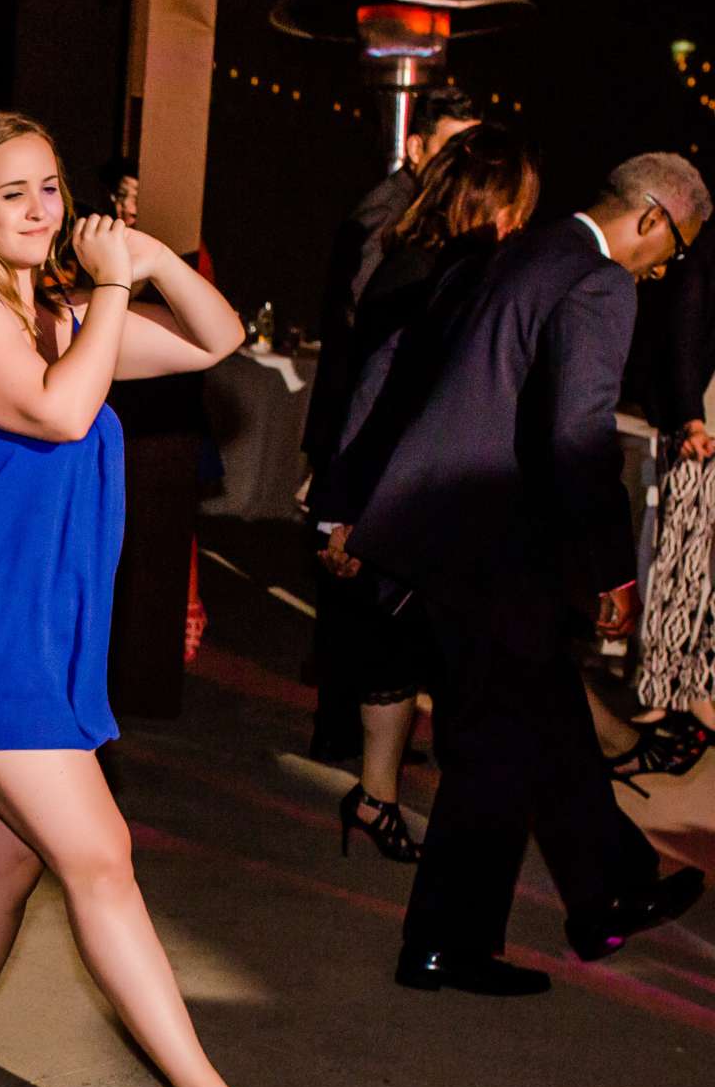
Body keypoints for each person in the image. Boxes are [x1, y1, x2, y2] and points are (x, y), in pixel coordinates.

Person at [0, 112, 275, 1087]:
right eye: (11, 190)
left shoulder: (58, 317)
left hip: (42, 635)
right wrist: (110, 291)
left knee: (4, 867)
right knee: (100, 854)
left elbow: (215, 338)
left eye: (50, 187)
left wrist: (144, 259)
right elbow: (62, 415)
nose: (38, 208)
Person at [352, 154, 713, 994]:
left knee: (544, 719)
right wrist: (612, 574)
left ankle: (610, 890)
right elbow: (578, 438)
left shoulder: (524, 249)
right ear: (653, 218)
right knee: (494, 756)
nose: (665, 269)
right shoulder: (599, 282)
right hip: (492, 545)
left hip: (442, 529)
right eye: (676, 250)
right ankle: (446, 945)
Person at [308, 123, 541, 864]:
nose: (525, 220)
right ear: (488, 200)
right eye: (519, 203)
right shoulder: (428, 271)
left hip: (405, 493)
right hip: (405, 496)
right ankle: (387, 803)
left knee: (397, 653)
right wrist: (342, 513)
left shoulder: (427, 262)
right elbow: (383, 393)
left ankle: (377, 798)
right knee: (412, 655)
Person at [302, 87, 483, 760]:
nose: (468, 162)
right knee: (356, 587)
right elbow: (369, 341)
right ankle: (348, 730)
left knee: (371, 593)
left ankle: (366, 728)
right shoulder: (389, 216)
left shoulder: (426, 217)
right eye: (456, 147)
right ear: (418, 148)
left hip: (367, 429)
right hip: (361, 427)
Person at [613, 247, 715, 780]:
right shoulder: (706, 254)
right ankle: (670, 696)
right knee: (682, 563)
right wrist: (691, 420)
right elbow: (682, 333)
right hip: (702, 429)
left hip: (697, 423)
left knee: (698, 571)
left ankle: (692, 695)